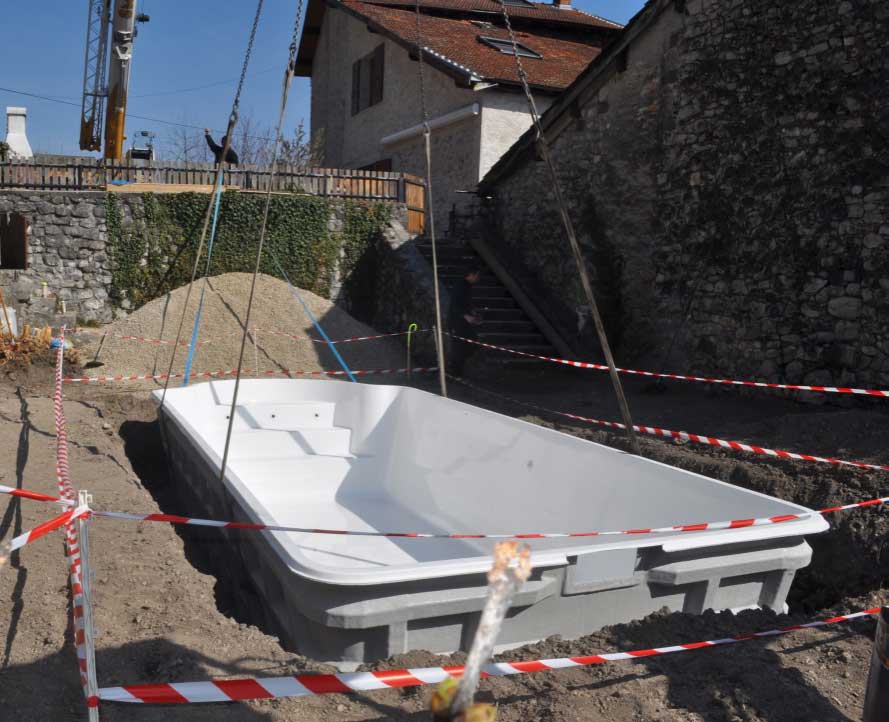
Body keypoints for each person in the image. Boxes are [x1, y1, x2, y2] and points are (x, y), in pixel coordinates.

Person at [447, 267, 483, 376]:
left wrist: (473, 313)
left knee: (471, 344)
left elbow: (466, 303)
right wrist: (466, 315)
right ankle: (455, 371)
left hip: (464, 322)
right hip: (456, 322)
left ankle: (457, 369)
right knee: (459, 347)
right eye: (477, 275)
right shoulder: (460, 286)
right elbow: (455, 304)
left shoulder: (468, 287)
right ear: (471, 275)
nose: (478, 278)